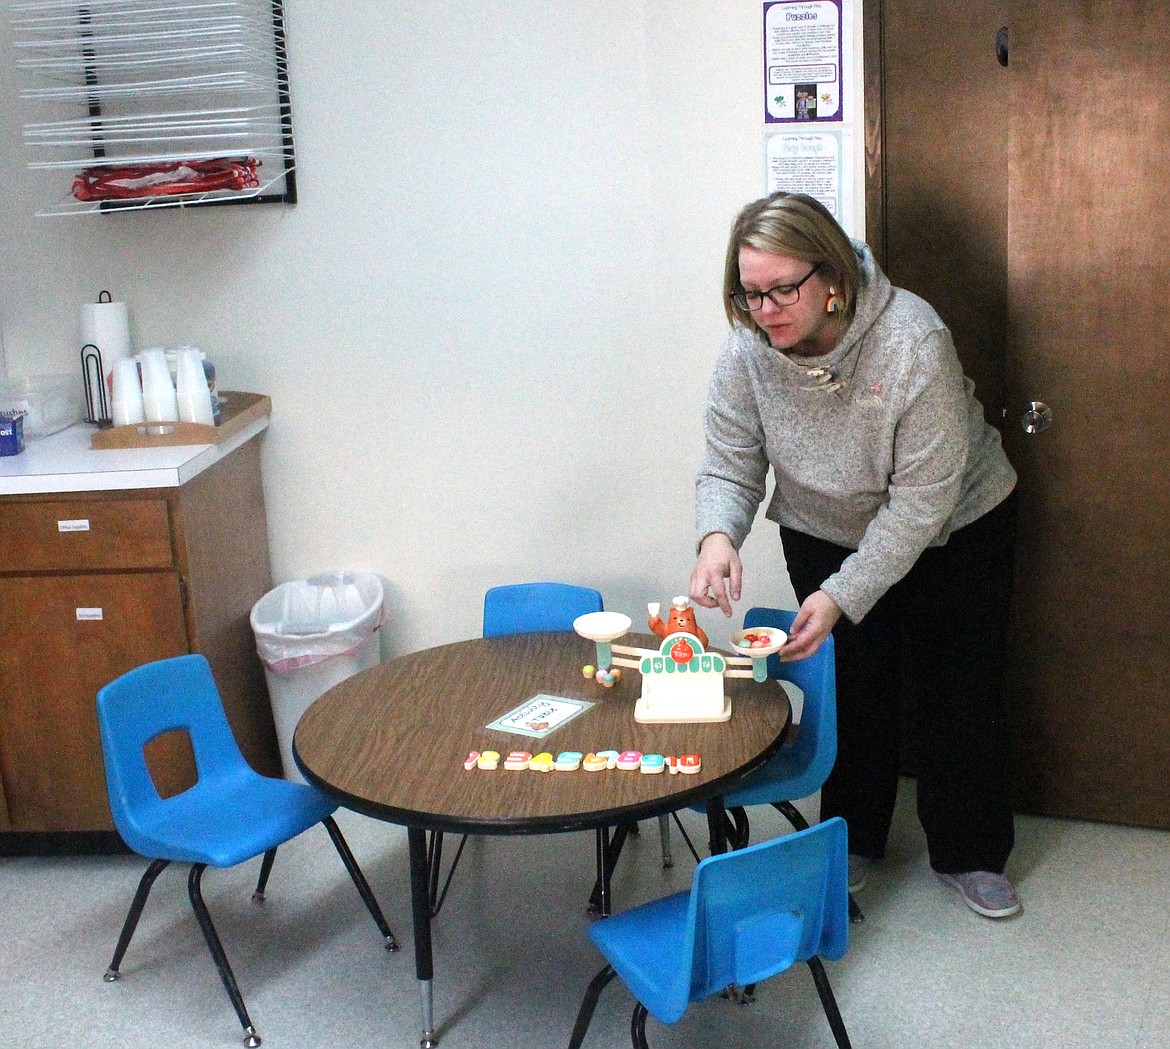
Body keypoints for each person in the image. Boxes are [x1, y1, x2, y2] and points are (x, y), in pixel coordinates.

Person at [689, 191, 1021, 919]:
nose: (766, 309)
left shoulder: (911, 340)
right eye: (750, 293)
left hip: (954, 524)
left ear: (831, 276)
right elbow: (729, 461)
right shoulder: (748, 346)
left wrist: (842, 593)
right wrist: (718, 538)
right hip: (822, 521)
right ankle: (853, 841)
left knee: (958, 691)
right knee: (854, 688)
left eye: (783, 290)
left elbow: (919, 504)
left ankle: (971, 852)